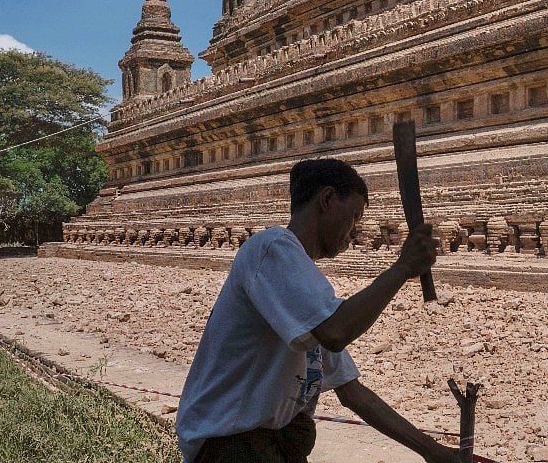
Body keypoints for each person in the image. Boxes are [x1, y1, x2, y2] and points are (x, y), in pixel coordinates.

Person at [176, 158, 457, 463]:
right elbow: (336, 333)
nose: (353, 232)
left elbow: (352, 393)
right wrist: (403, 268)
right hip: (232, 448)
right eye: (353, 216)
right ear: (326, 200)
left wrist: (434, 452)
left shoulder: (306, 292)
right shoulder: (271, 247)